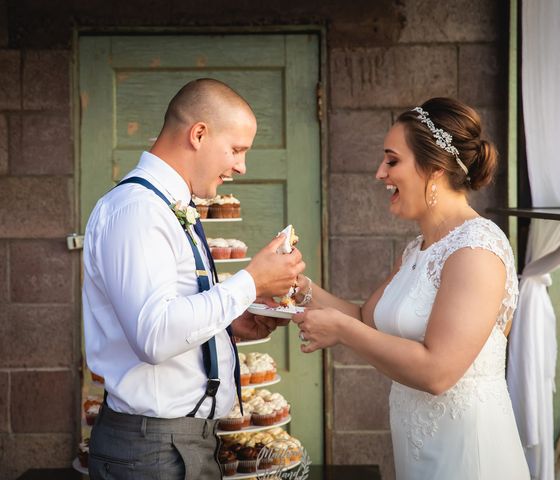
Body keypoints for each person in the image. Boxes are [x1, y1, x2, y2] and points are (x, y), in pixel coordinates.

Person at [291, 98, 529, 479]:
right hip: (418, 450)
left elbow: (438, 372)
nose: (379, 173)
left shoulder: (476, 249)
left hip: (468, 453)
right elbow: (365, 319)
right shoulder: (418, 249)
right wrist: (300, 289)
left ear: (433, 169)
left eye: (392, 160)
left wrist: (341, 332)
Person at [82, 78, 304, 479]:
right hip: (151, 450)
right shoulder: (137, 210)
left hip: (183, 442)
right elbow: (154, 336)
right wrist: (251, 281)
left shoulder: (169, 205)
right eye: (236, 150)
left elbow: (169, 313)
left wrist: (229, 326)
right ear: (199, 134)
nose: (241, 166)